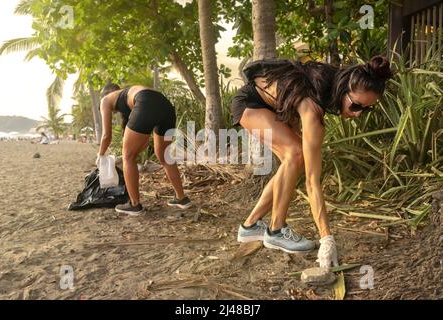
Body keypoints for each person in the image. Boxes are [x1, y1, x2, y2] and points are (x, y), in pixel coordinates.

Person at [231, 55, 393, 268]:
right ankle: (276, 230)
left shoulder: (328, 84)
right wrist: (327, 237)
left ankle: (250, 226)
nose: (358, 114)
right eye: (355, 106)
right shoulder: (312, 109)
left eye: (366, 109)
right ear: (344, 89)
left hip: (269, 105)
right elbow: (312, 182)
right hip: (249, 103)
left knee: (292, 160)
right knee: (295, 154)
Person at [98, 84, 191, 215]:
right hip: (166, 105)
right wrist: (133, 152)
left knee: (128, 157)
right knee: (165, 157)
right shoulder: (129, 100)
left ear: (107, 93)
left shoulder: (105, 100)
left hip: (147, 102)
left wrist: (101, 155)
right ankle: (181, 198)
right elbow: (145, 142)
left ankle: (134, 204)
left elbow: (106, 135)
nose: (113, 113)